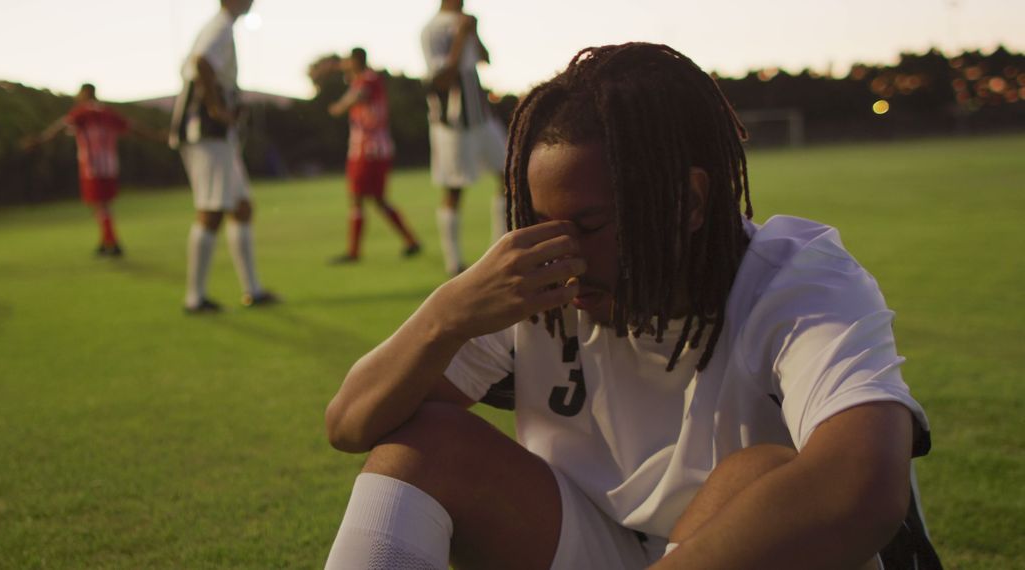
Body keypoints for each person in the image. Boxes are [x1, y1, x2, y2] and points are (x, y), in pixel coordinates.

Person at [323, 43, 942, 569]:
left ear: (690, 203)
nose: (561, 249)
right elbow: (351, 425)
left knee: (753, 475)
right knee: (429, 441)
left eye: (590, 223)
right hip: (598, 542)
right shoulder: (541, 277)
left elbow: (859, 487)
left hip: (738, 549)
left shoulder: (797, 275)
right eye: (539, 223)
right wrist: (447, 312)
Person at [170, 0, 276, 313]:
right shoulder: (219, 25)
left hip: (218, 137)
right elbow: (201, 62)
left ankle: (252, 290)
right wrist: (217, 108)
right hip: (206, 133)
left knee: (241, 207)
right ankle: (195, 298)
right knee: (212, 209)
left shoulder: (223, 25)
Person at [421, 0, 508, 276]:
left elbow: (486, 59)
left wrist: (473, 32)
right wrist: (460, 36)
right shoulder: (432, 29)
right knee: (455, 189)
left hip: (482, 116)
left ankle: (499, 248)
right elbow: (442, 79)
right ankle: (454, 262)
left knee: (509, 176)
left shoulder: (467, 21)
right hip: (453, 122)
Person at [25, 83, 161, 257]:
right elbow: (131, 126)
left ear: (85, 93)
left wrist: (38, 140)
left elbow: (60, 126)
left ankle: (112, 243)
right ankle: (106, 241)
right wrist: (155, 135)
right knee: (103, 205)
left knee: (100, 204)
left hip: (92, 166)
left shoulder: (82, 112)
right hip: (110, 165)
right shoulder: (107, 112)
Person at [327, 47, 421, 264]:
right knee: (378, 200)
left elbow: (359, 96)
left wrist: (340, 106)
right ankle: (410, 241)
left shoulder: (367, 79)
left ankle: (353, 252)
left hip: (369, 150)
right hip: (376, 149)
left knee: (358, 199)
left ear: (356, 60)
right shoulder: (364, 79)